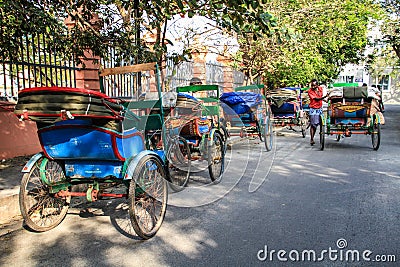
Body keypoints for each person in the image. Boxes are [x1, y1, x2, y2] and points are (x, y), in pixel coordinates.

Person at [308, 79, 329, 145]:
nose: (313, 87)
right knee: (313, 125)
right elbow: (316, 99)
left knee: (320, 123)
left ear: (317, 85)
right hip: (313, 109)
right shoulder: (310, 91)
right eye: (312, 85)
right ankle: (312, 139)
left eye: (314, 85)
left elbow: (322, 96)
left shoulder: (320, 89)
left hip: (319, 108)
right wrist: (324, 97)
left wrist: (326, 99)